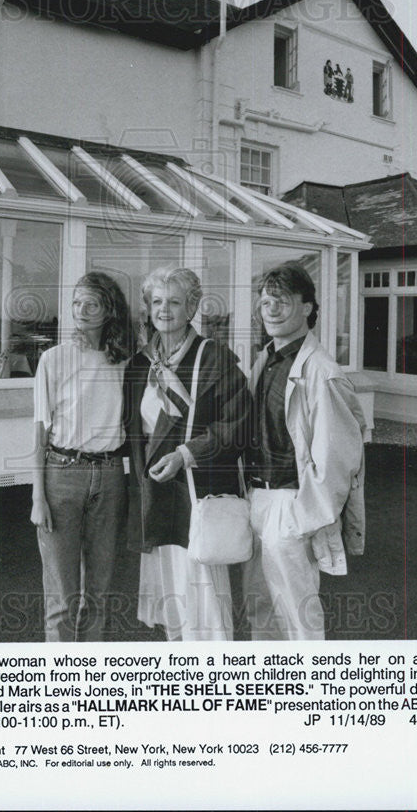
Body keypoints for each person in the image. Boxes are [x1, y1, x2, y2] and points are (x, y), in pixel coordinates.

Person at [124, 266, 251, 641]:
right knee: (172, 600)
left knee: (205, 605)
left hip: (197, 494)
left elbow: (238, 426)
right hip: (155, 494)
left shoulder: (215, 358)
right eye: (157, 301)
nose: (165, 310)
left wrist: (186, 453)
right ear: (148, 307)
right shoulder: (139, 364)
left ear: (192, 308)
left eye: (175, 302)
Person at [245, 261, 366, 641]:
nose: (272, 310)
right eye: (266, 302)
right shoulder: (266, 359)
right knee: (259, 608)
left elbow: (339, 456)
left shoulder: (322, 370)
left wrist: (305, 516)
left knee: (299, 617)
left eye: (282, 301)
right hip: (257, 500)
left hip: (291, 504)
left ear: (308, 307)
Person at [31, 272, 132, 642]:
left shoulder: (125, 362)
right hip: (61, 477)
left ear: (109, 309)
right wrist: (37, 496)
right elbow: (40, 433)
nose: (82, 310)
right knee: (61, 597)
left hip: (109, 477)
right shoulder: (53, 360)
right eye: (76, 302)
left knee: (100, 593)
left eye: (91, 303)